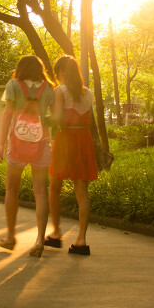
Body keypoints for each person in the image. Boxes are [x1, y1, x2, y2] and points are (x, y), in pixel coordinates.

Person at [0, 55, 55, 257]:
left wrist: (1, 145)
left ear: (19, 68)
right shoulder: (49, 88)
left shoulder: (13, 85)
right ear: (40, 69)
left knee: (12, 189)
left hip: (18, 144)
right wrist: (52, 140)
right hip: (41, 145)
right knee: (40, 192)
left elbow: (7, 114)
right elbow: (53, 118)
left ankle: (11, 237)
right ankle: (39, 240)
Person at [48, 55, 98, 256]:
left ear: (60, 72)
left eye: (57, 74)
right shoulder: (88, 94)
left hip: (66, 139)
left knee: (54, 187)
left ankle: (56, 232)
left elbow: (58, 118)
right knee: (82, 192)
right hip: (83, 139)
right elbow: (88, 120)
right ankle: (81, 239)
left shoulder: (60, 91)